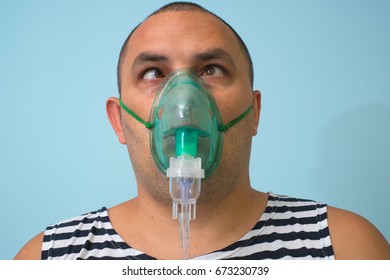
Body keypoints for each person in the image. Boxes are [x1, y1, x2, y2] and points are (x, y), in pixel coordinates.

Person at [15, 1, 389, 260]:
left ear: (254, 111)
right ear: (119, 121)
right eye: (153, 73)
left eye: (211, 69)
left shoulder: (343, 248)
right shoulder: (48, 259)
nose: (183, 101)